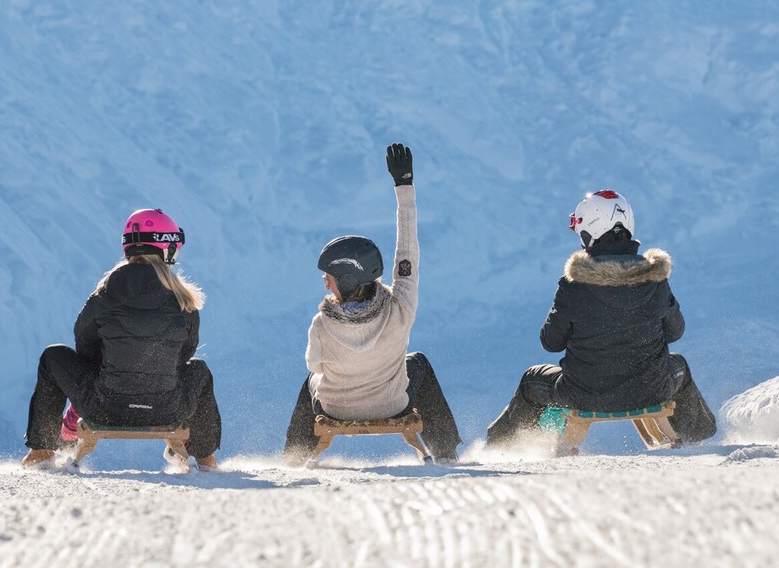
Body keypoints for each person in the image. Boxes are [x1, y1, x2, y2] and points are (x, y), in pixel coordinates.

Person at [486, 190, 716, 448]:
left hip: (583, 393)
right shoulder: (655, 278)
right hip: (650, 389)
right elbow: (675, 332)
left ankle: (500, 448)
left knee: (532, 379)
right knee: (679, 365)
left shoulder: (573, 284)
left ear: (590, 232)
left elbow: (550, 342)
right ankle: (698, 439)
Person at [283, 143, 462, 465]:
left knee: (309, 382)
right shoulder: (400, 309)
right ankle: (446, 451)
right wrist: (403, 184)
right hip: (394, 404)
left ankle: (294, 457)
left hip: (334, 407)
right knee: (416, 361)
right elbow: (408, 253)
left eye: (330, 276)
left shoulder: (321, 325)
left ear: (347, 279)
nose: (325, 281)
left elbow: (315, 367)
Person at [21, 208, 222, 470]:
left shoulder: (105, 293)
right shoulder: (184, 300)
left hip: (104, 406)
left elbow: (85, 346)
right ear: (167, 249)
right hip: (168, 408)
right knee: (200, 370)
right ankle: (206, 460)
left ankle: (42, 453)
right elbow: (184, 354)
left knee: (53, 356)